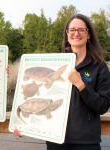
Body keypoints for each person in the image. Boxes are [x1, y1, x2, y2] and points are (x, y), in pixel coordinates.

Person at [46, 14, 110, 150]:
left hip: (86, 142)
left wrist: (81, 85)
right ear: (67, 34)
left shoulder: (99, 66)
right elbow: (40, 94)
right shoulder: (55, 64)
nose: (76, 33)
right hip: (56, 139)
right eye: (72, 29)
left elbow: (103, 106)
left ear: (88, 35)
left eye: (81, 30)